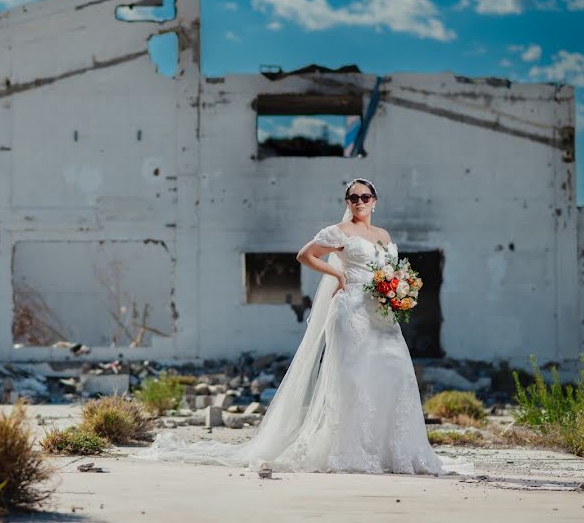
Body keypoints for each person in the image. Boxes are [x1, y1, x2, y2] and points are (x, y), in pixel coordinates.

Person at [138, 178, 458, 474]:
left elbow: (388, 270)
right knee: (355, 378)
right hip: (351, 312)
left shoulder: (384, 236)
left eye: (365, 196)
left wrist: (399, 288)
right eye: (353, 197)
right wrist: (338, 275)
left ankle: (394, 450)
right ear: (347, 202)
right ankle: (352, 452)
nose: (359, 201)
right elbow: (306, 255)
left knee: (396, 372)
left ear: (375, 201)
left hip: (383, 314)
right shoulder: (340, 231)